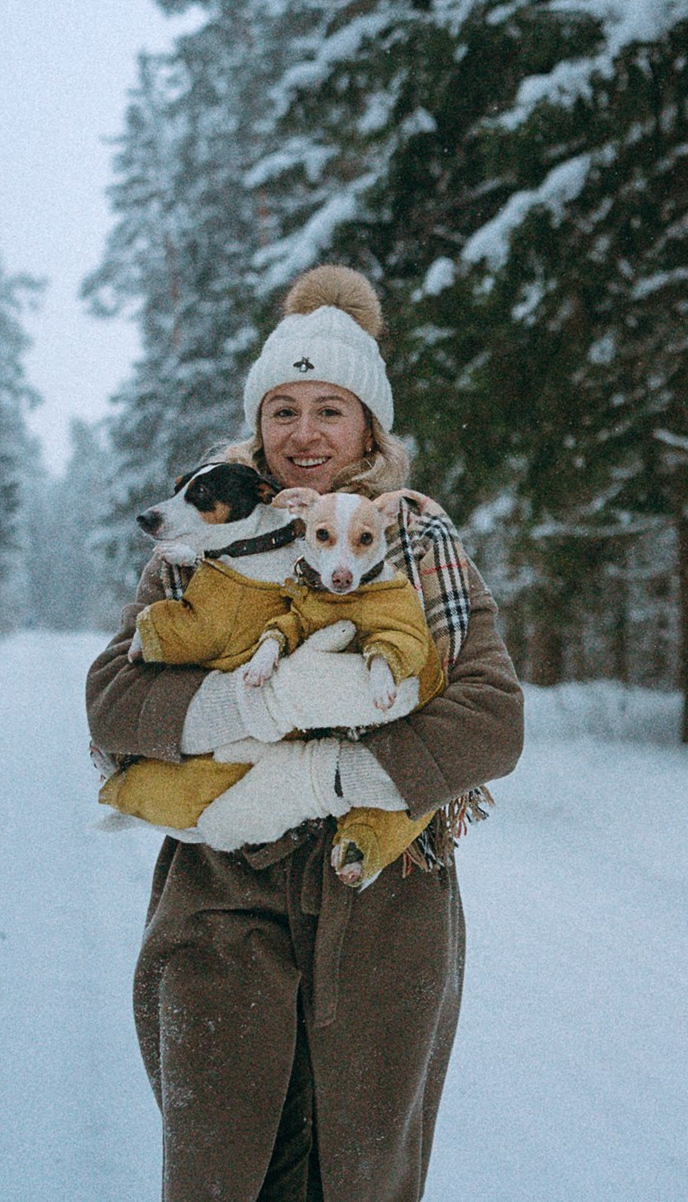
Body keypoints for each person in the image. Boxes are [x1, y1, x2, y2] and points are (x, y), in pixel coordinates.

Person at [86, 265, 524, 1201]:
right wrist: (252, 706)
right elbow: (115, 704)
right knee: (223, 1167)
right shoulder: (201, 539)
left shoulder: (414, 539)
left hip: (387, 895)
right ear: (258, 425)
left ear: (369, 426)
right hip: (221, 881)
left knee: (363, 1171)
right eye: (283, 409)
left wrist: (332, 776)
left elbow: (490, 717)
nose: (305, 433)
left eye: (332, 408)